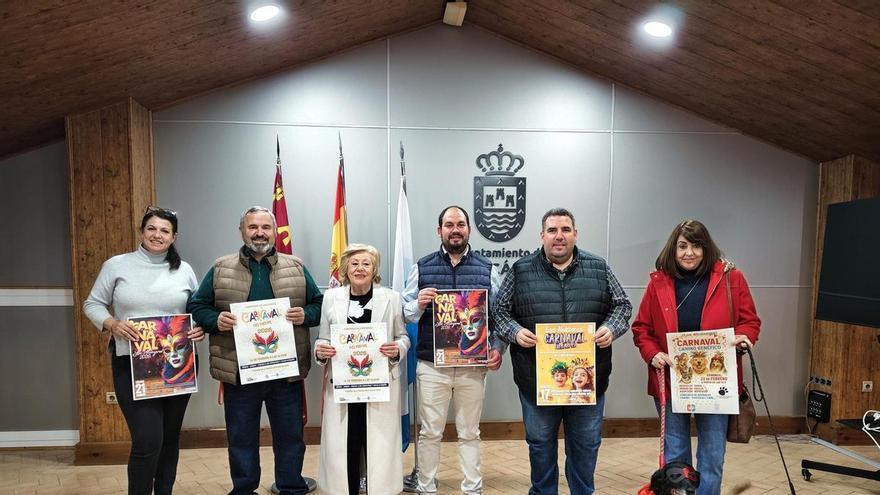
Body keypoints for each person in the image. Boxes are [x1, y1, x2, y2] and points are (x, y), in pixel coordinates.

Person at [495, 207, 632, 495]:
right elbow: (499, 312)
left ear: (575, 234)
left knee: (585, 445)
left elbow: (622, 305)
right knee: (541, 445)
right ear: (542, 235)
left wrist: (612, 328)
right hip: (537, 383)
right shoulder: (520, 270)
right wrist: (515, 333)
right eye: (553, 230)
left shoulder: (599, 266)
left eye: (565, 230)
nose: (559, 236)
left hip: (586, 384)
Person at [187, 206, 323, 495]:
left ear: (275, 231)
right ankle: (244, 489)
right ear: (242, 231)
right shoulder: (221, 267)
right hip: (239, 371)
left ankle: (290, 486)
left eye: (265, 227)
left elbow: (321, 305)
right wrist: (215, 320)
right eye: (253, 227)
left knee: (290, 436)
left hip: (285, 371)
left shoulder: (295, 266)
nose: (259, 233)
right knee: (241, 437)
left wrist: (306, 315)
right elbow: (197, 306)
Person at [631, 219, 760, 495]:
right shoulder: (659, 281)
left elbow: (750, 321)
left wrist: (743, 338)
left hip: (715, 382)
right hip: (671, 378)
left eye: (696, 245)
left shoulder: (730, 278)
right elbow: (642, 328)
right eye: (682, 246)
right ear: (673, 249)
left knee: (712, 455)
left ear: (706, 248)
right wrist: (653, 354)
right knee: (676, 456)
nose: (689, 252)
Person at [83, 206, 203, 495]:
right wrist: (112, 323)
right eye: (152, 228)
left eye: (164, 230)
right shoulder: (116, 265)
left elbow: (197, 309)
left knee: (170, 438)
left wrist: (199, 327)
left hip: (179, 366)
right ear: (142, 231)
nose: (157, 235)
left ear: (174, 237)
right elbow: (92, 304)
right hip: (132, 364)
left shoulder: (184, 269)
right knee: (148, 439)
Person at [402, 206, 504, 494]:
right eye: (449, 224)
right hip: (431, 366)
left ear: (469, 229)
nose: (455, 229)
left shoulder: (487, 269)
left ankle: (472, 487)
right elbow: (404, 313)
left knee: (470, 432)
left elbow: (499, 315)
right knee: (430, 432)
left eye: (460, 224)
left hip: (472, 366)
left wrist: (497, 347)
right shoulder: (421, 267)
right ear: (440, 231)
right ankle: (425, 486)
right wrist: (417, 304)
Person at [313, 244, 410, 495]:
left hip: (380, 384)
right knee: (347, 440)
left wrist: (397, 348)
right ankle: (349, 488)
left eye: (366, 263)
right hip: (343, 386)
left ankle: (378, 489)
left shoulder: (391, 298)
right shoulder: (331, 298)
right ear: (346, 268)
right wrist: (320, 351)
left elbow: (403, 336)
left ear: (374, 268)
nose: (360, 268)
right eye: (354, 263)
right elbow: (322, 338)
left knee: (376, 442)